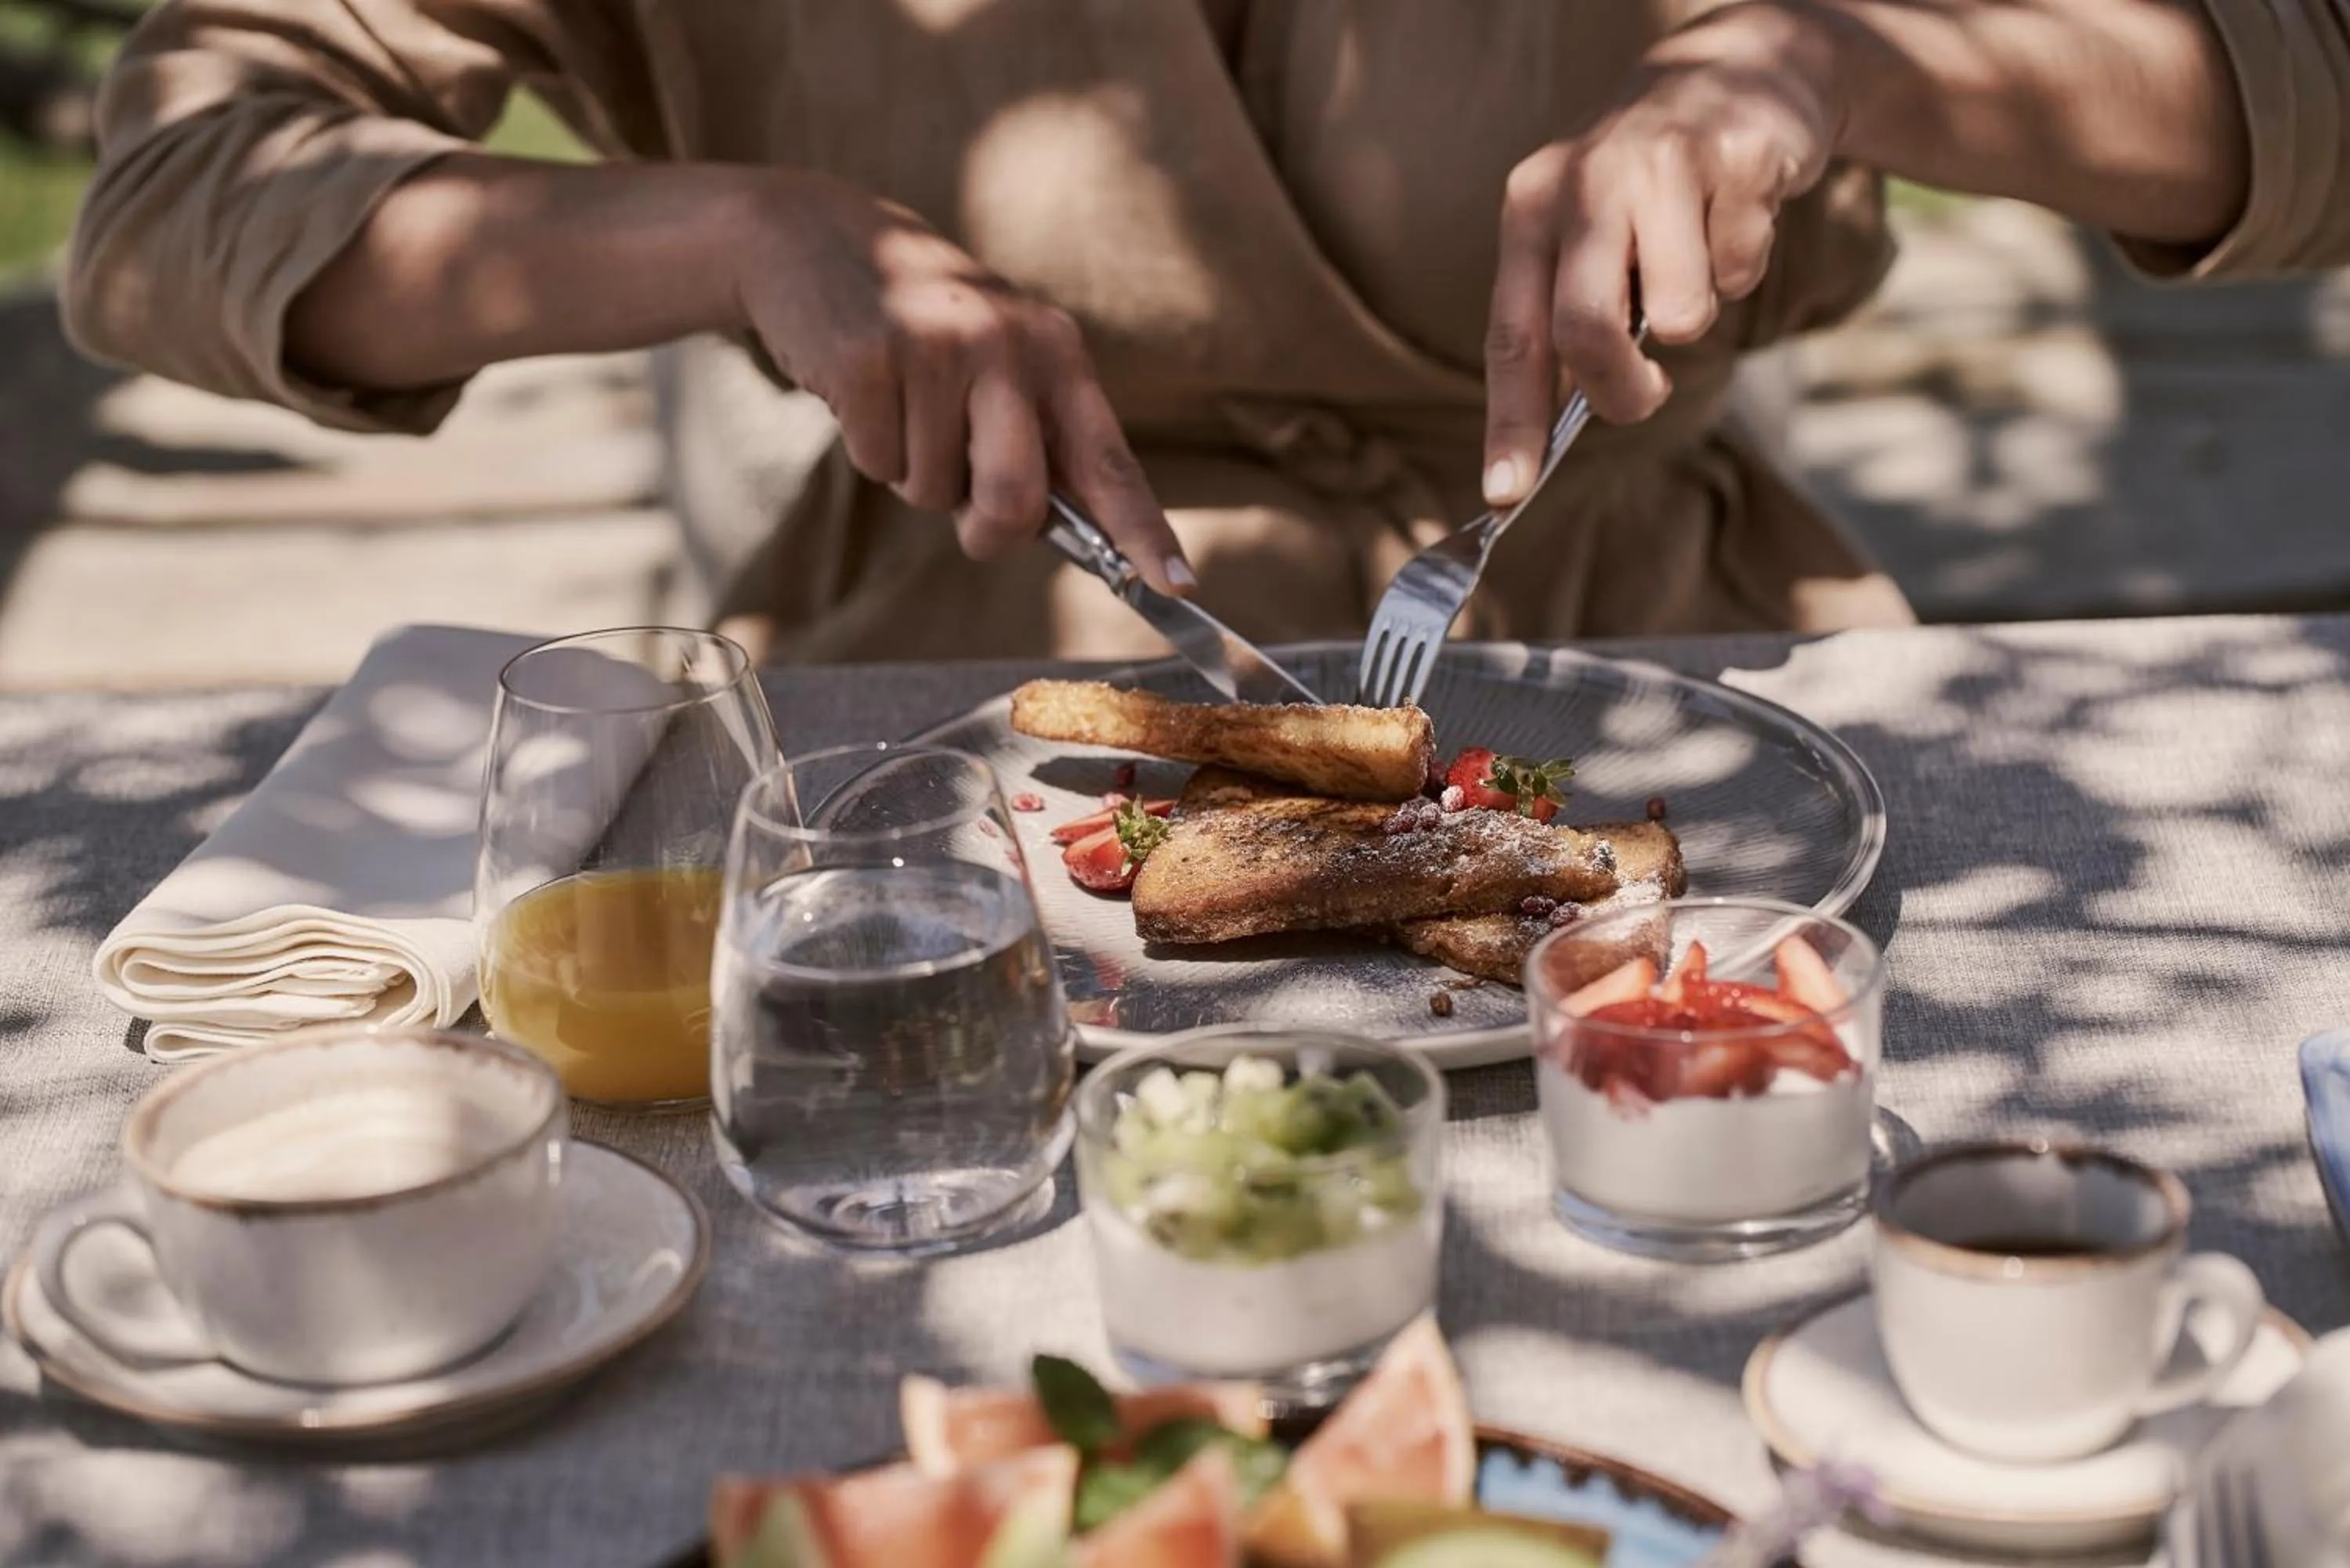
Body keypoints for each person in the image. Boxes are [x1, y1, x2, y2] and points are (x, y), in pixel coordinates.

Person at [56, 2, 2330, 666]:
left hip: (1675, 684)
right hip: (941, 734)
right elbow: (165, 197)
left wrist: (1840, 65)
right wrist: (735, 230)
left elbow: (2305, 96)